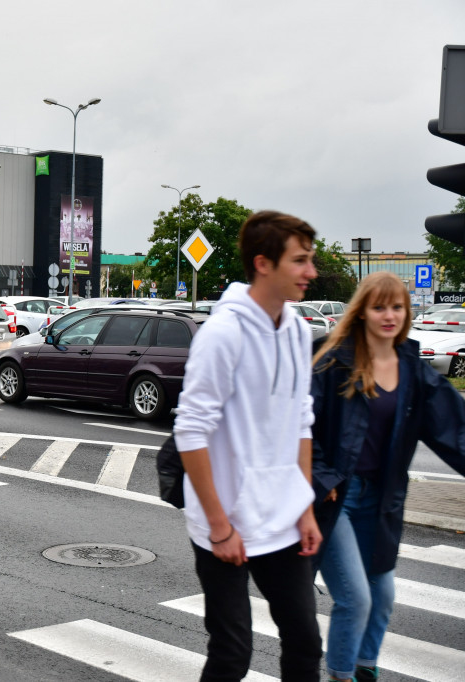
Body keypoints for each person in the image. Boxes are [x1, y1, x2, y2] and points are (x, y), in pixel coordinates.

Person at [173, 210, 323, 680]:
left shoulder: (299, 330)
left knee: (304, 642)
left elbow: (300, 419)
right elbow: (191, 432)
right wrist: (219, 527)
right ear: (263, 263)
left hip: (283, 518)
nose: (311, 272)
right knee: (232, 652)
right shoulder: (225, 333)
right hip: (225, 521)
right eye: (300, 261)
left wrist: (305, 506)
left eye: (310, 260)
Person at [311, 271, 465, 682]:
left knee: (381, 598)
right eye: (379, 306)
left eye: (397, 306)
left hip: (380, 502)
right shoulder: (333, 360)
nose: (389, 315)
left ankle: (363, 671)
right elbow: (302, 427)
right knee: (356, 599)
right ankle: (340, 676)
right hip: (335, 499)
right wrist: (321, 480)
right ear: (362, 311)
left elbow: (456, 430)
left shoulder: (414, 371)